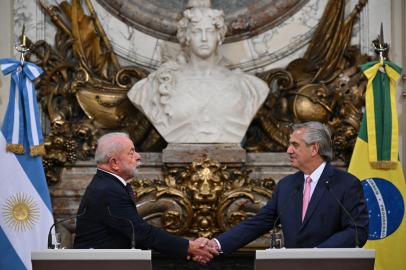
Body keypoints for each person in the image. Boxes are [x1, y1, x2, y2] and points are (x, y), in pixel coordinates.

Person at [198, 121, 369, 255]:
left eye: (295, 145)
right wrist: (217, 244)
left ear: (314, 148)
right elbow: (258, 223)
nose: (288, 150)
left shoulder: (346, 184)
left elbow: (357, 231)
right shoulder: (287, 186)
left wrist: (318, 254)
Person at [127, 0, 269, 143]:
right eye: (196, 31)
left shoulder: (249, 87)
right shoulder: (158, 85)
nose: (204, 38)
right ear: (186, 36)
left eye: (210, 31)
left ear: (219, 36)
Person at [73, 132, 217, 262]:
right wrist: (189, 247)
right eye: (131, 153)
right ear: (114, 163)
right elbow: (140, 233)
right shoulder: (108, 190)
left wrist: (187, 248)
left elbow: (134, 233)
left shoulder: (108, 183)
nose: (138, 156)